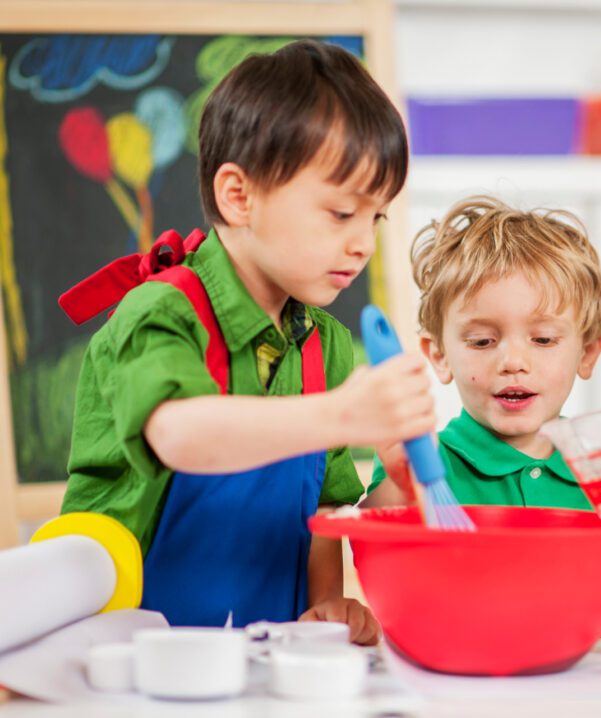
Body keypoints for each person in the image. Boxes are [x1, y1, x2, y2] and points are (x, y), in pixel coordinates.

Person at [59, 40, 434, 643]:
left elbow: (323, 517)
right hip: (123, 660)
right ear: (240, 196)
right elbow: (181, 435)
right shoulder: (160, 312)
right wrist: (341, 414)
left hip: (261, 661)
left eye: (376, 218)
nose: (363, 243)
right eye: (342, 214)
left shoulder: (327, 347)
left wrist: (327, 610)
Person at [363, 195, 601, 629]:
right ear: (439, 355)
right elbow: (377, 562)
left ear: (589, 351)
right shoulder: (420, 462)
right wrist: (401, 485)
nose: (513, 361)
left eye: (543, 339)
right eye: (483, 341)